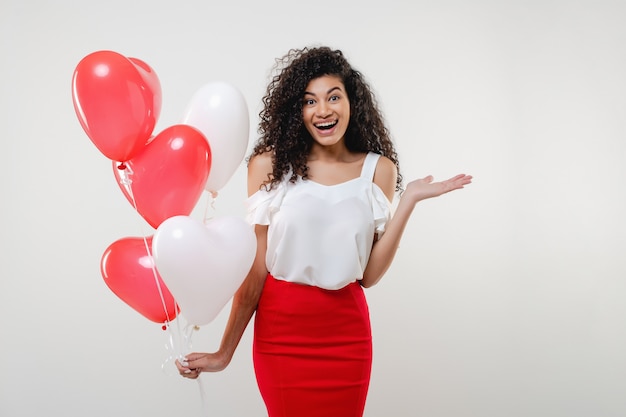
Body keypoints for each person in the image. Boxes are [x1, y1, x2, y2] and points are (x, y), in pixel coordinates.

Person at [176, 46, 472, 416]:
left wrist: (408, 201)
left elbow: (368, 276)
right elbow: (255, 273)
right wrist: (224, 352)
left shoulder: (377, 171)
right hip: (281, 335)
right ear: (296, 111)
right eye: (310, 100)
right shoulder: (269, 166)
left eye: (334, 97)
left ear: (351, 102)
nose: (323, 110)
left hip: (346, 337)